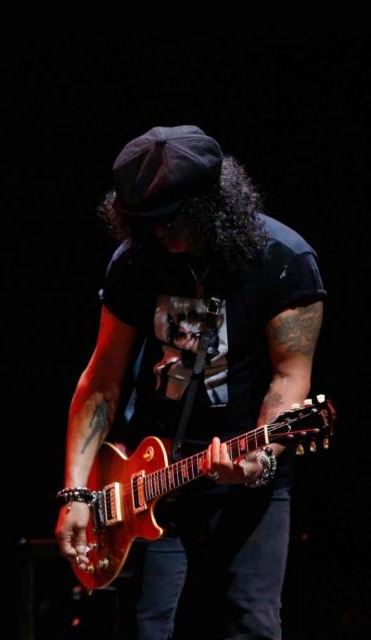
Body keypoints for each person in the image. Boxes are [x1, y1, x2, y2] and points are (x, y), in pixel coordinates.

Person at [54, 125, 325, 638]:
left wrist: (258, 461)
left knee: (251, 625)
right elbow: (101, 381)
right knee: (143, 628)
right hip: (146, 477)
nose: (160, 233)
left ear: (214, 204)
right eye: (145, 223)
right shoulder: (135, 262)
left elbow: (289, 380)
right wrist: (76, 492)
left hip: (246, 469)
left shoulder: (284, 261)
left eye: (172, 220)